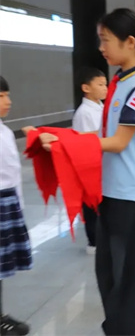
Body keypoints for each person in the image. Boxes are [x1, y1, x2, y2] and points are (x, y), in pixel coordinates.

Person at [40, 8, 135, 336]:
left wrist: (68, 144)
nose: (101, 48)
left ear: (130, 42)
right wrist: (62, 138)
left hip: (132, 195)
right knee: (109, 275)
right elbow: (102, 135)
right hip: (111, 192)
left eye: (106, 40)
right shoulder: (120, 82)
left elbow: (119, 142)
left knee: (130, 281)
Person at [0, 76, 33, 336]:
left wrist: (18, 205)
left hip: (7, 202)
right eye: (1, 97)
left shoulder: (5, 132)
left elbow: (13, 173)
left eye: (7, 95)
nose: (8, 101)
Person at [72, 67, 108, 255]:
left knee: (100, 204)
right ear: (86, 88)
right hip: (90, 166)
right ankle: (93, 242)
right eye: (100, 85)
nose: (105, 88)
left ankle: (100, 237)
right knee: (91, 205)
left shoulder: (100, 107)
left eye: (105, 84)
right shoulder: (84, 112)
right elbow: (86, 140)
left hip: (102, 163)